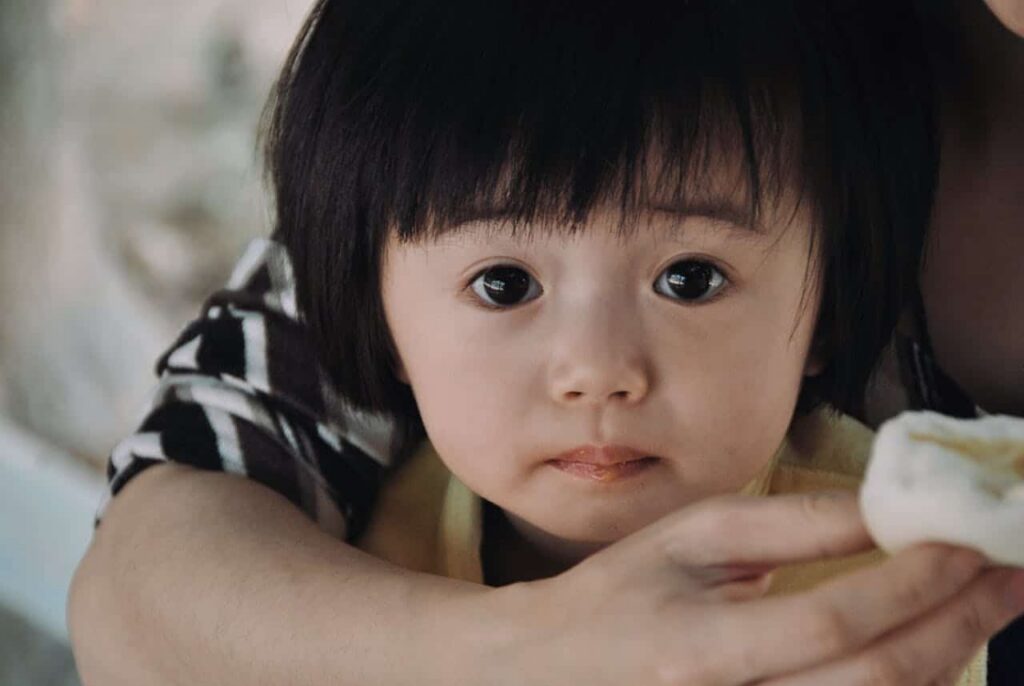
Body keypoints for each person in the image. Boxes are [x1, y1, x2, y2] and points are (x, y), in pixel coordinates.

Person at [68, 1, 1024, 684]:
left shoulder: (893, 579)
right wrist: (514, 649)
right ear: (376, 315)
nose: (597, 370)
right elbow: (141, 586)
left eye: (689, 280)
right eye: (504, 286)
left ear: (827, 305)